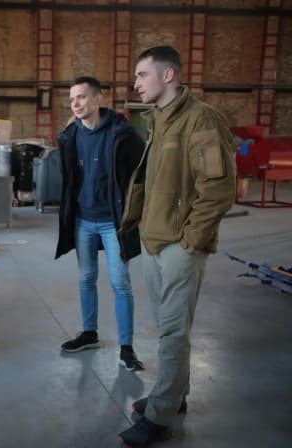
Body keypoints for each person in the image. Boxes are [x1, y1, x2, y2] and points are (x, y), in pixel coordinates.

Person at [117, 46, 236, 446]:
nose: (136, 83)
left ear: (168, 75)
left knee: (172, 333)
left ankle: (160, 417)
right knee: (168, 329)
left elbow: (217, 189)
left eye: (142, 74)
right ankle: (174, 395)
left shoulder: (201, 119)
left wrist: (189, 243)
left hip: (178, 247)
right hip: (154, 242)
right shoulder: (159, 119)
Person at [55, 76, 146, 371]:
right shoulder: (70, 136)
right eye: (72, 99)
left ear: (97, 99)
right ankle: (89, 333)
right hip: (83, 220)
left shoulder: (122, 133)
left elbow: (144, 170)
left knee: (120, 283)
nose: (76, 104)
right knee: (86, 278)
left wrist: (137, 209)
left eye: (81, 97)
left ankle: (127, 348)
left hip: (113, 222)